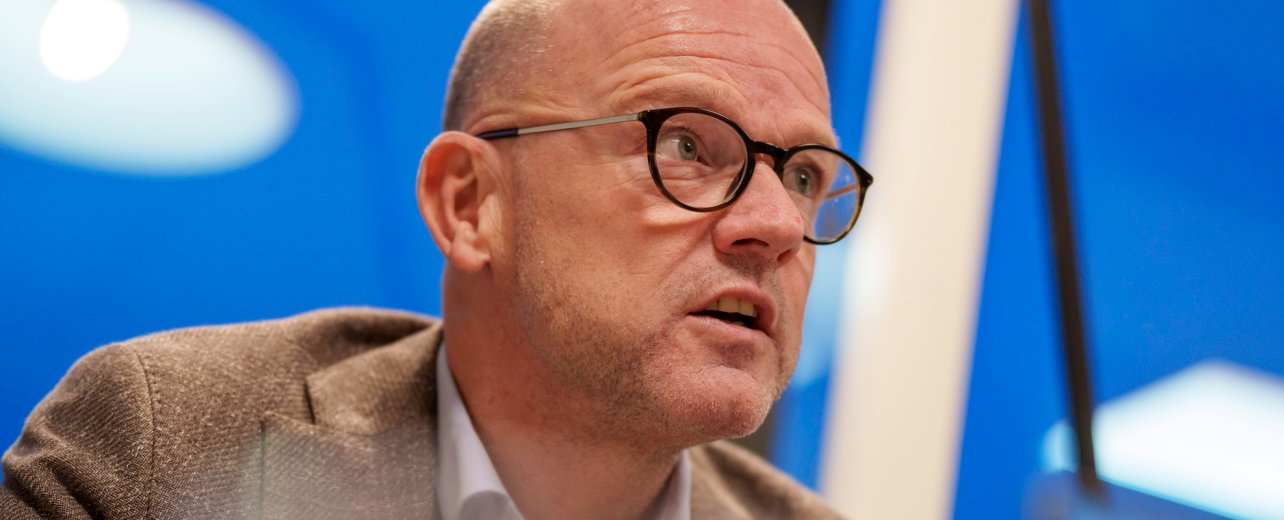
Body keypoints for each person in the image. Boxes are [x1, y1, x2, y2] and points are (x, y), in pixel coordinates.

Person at [1, 0, 871, 518]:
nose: (776, 224)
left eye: (803, 175)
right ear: (469, 202)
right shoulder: (159, 449)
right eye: (685, 144)